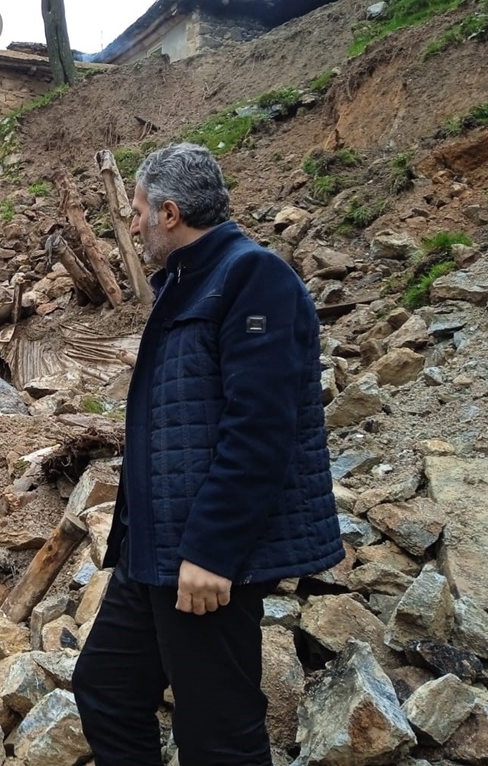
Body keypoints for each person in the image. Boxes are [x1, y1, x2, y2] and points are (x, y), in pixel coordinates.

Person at [72, 142, 342, 765]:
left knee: (217, 733)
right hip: (154, 553)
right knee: (107, 689)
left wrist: (213, 550)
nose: (131, 224)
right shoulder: (188, 284)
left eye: (136, 210)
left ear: (169, 213)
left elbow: (261, 428)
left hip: (202, 562)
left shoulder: (253, 278)